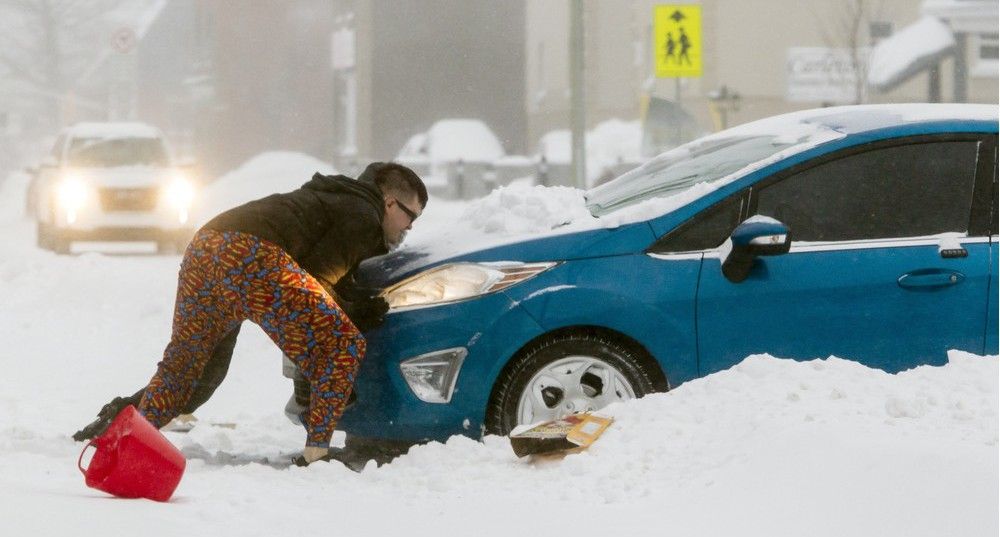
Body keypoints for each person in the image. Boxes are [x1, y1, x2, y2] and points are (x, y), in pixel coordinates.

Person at [72, 162, 426, 466]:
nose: (408, 228)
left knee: (194, 372)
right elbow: (319, 278)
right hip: (251, 255)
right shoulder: (364, 216)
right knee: (341, 345)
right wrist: (356, 313)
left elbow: (315, 274)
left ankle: (119, 430)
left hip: (207, 245)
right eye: (409, 217)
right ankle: (316, 458)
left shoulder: (339, 198)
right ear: (389, 202)